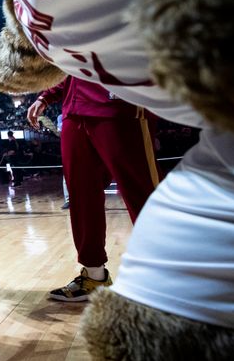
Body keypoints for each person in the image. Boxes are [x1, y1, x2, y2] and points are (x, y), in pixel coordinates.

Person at [26, 76, 160, 302]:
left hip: (121, 102)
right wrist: (47, 95)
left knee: (143, 193)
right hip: (74, 109)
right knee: (81, 196)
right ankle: (94, 276)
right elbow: (71, 62)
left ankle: (173, 277)